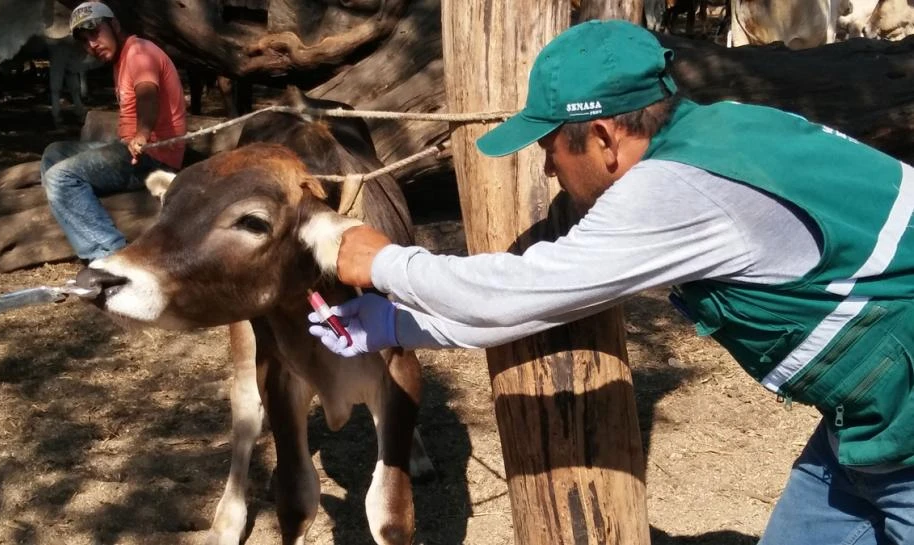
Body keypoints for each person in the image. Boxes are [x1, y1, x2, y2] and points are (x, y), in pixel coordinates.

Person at [308, 19, 914, 545]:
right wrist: (393, 324)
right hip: (866, 433)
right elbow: (537, 303)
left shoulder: (676, 190)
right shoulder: (724, 131)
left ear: (602, 138)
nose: (546, 166)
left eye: (549, 145)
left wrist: (383, 261)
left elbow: (518, 290)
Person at [41, 1, 187, 261]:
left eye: (95, 32)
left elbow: (147, 95)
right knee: (54, 153)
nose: (92, 44)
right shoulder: (123, 58)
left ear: (115, 25)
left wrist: (143, 133)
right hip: (131, 150)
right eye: (85, 40)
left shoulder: (139, 52)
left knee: (59, 178)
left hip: (154, 156)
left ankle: (110, 253)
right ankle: (84, 226)